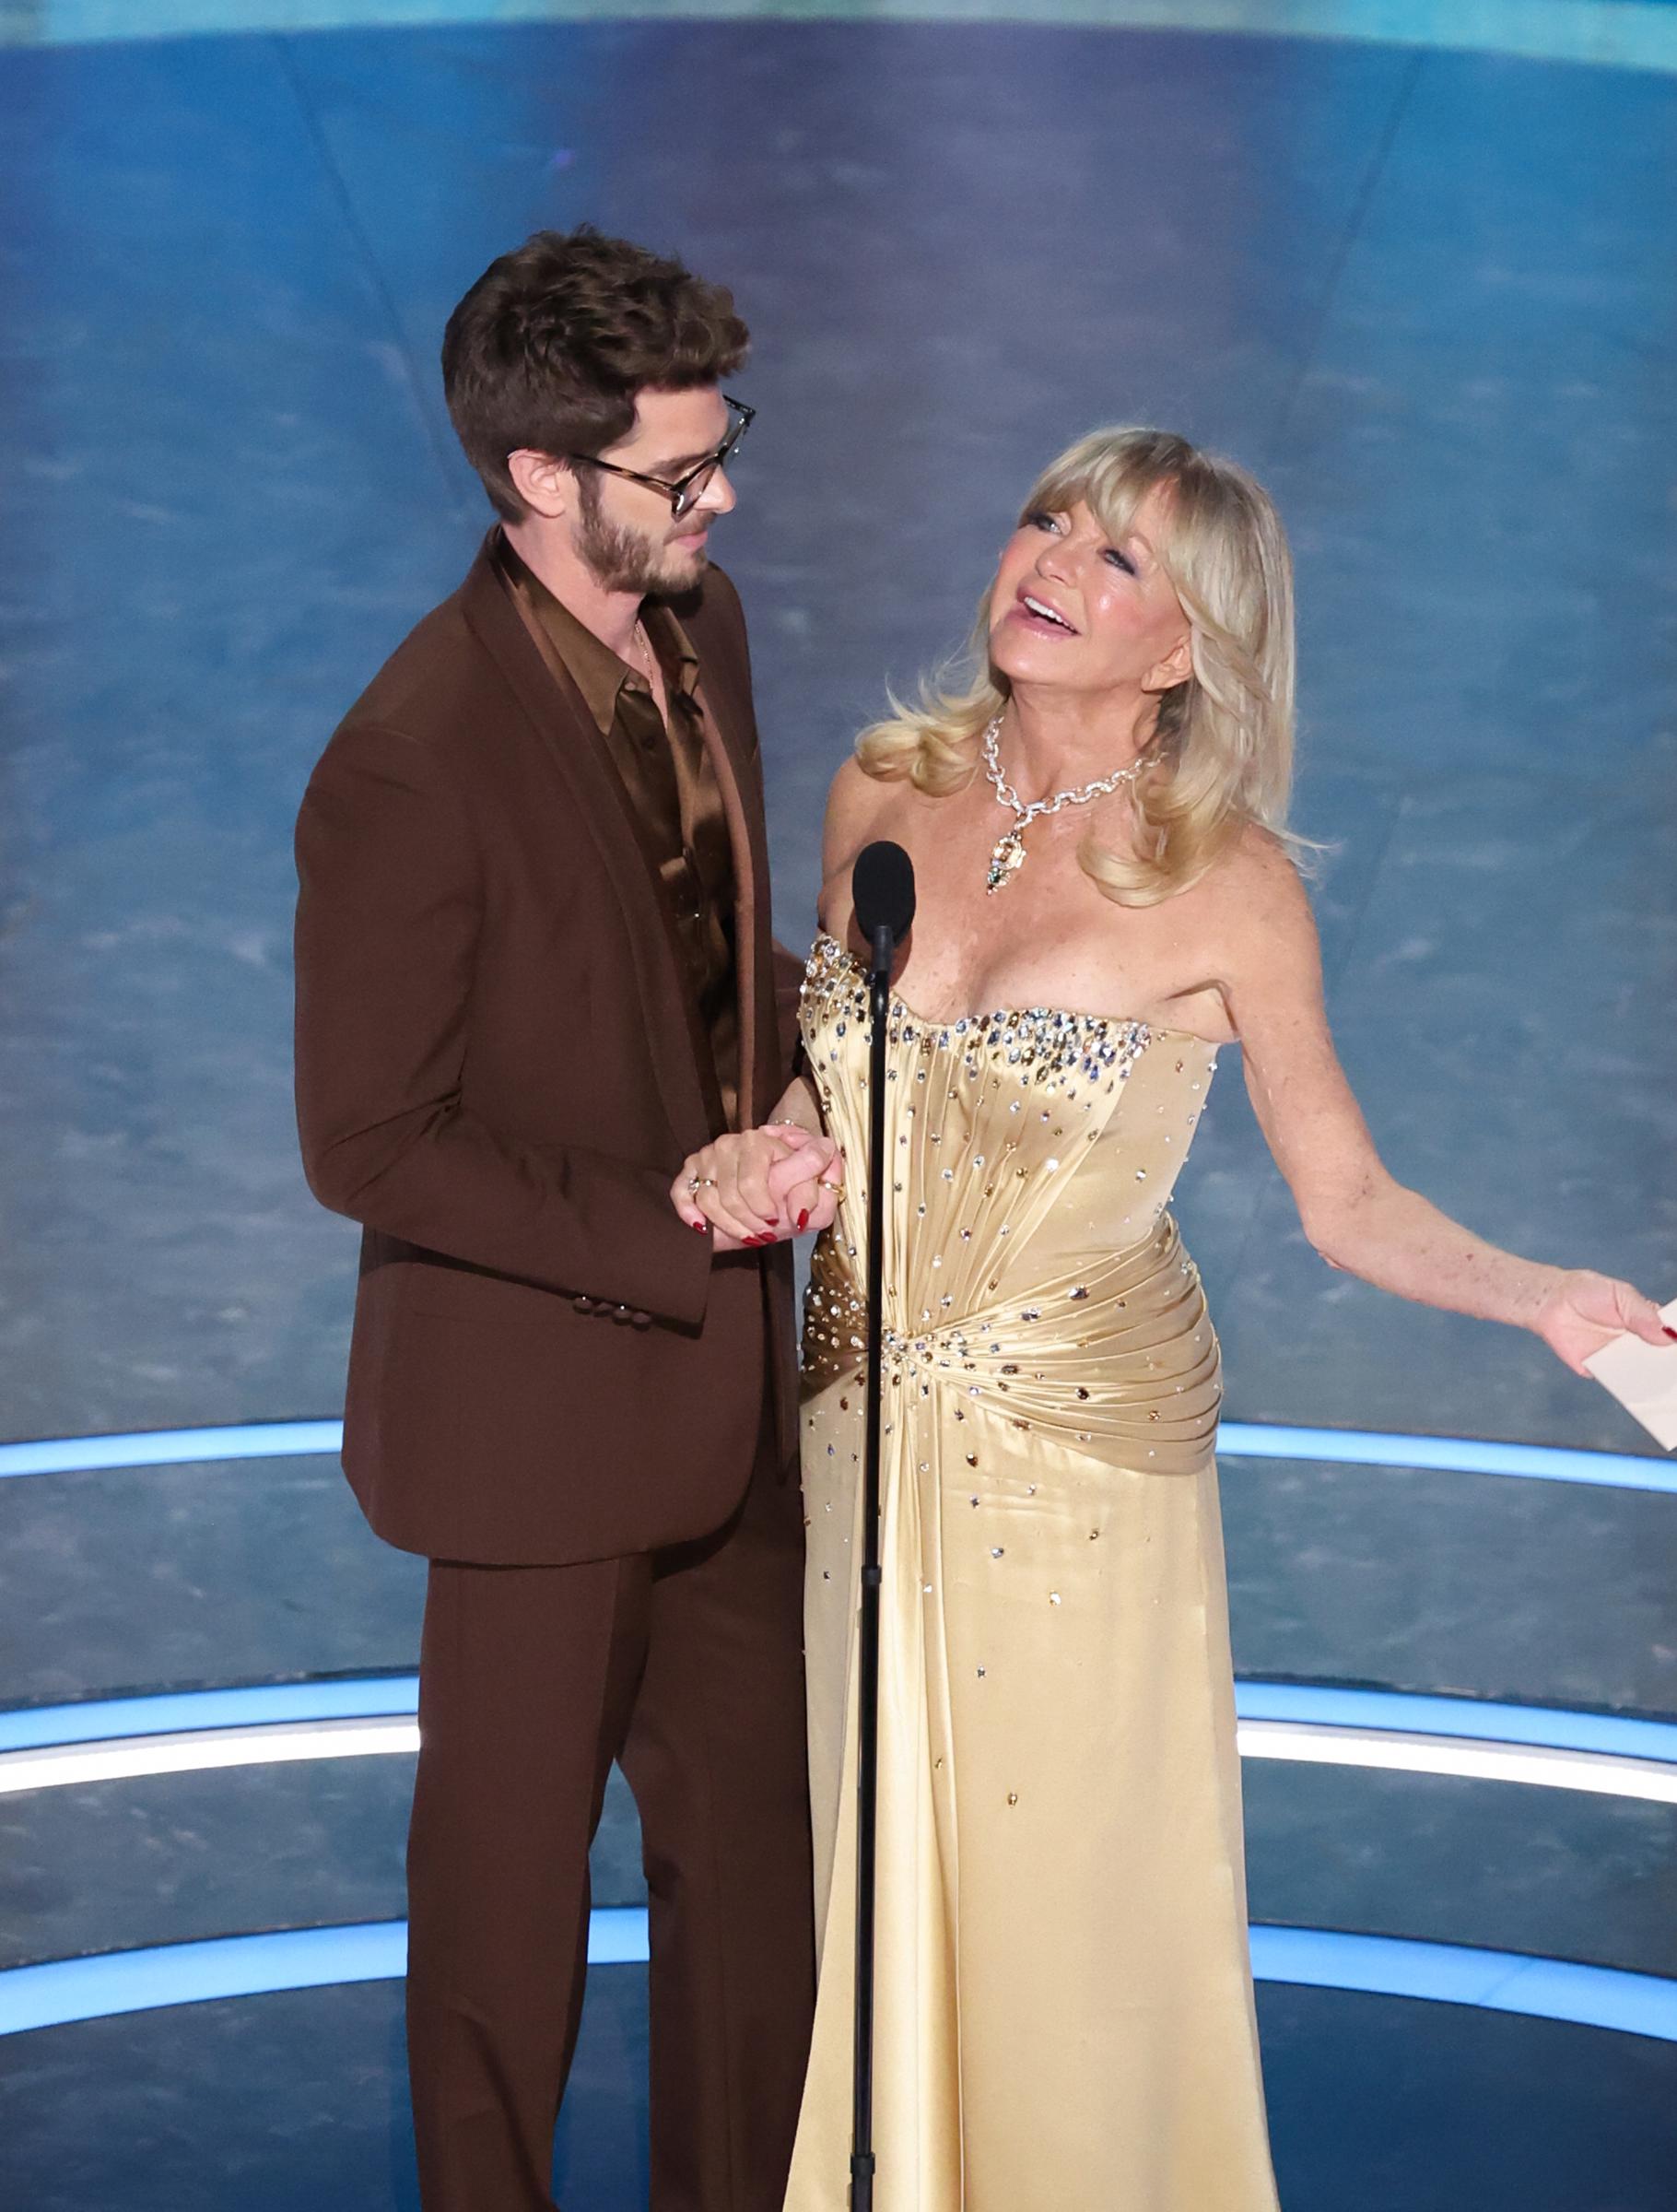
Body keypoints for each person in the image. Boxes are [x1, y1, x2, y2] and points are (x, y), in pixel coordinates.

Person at [671, 426, 1672, 2210]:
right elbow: (841, 1090)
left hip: (1073, 1487)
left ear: (1187, 649)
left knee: (1065, 1944)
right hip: (859, 1449)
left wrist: (1551, 1300)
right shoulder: (877, 792)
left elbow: (1345, 1201)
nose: (1051, 564)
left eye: (1120, 559)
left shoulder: (1227, 886)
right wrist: (766, 1155)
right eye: (1045, 521)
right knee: (881, 1896)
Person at [294, 226, 841, 2212]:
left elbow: (697, 958)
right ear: (539, 477)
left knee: (761, 1898)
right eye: (679, 477)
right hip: (534, 1425)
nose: (723, 500)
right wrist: (670, 1222)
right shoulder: (408, 765)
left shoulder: (713, 630)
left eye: (720, 454)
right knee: (502, 1937)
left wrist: (822, 1061)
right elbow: (368, 1142)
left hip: (732, 1409)